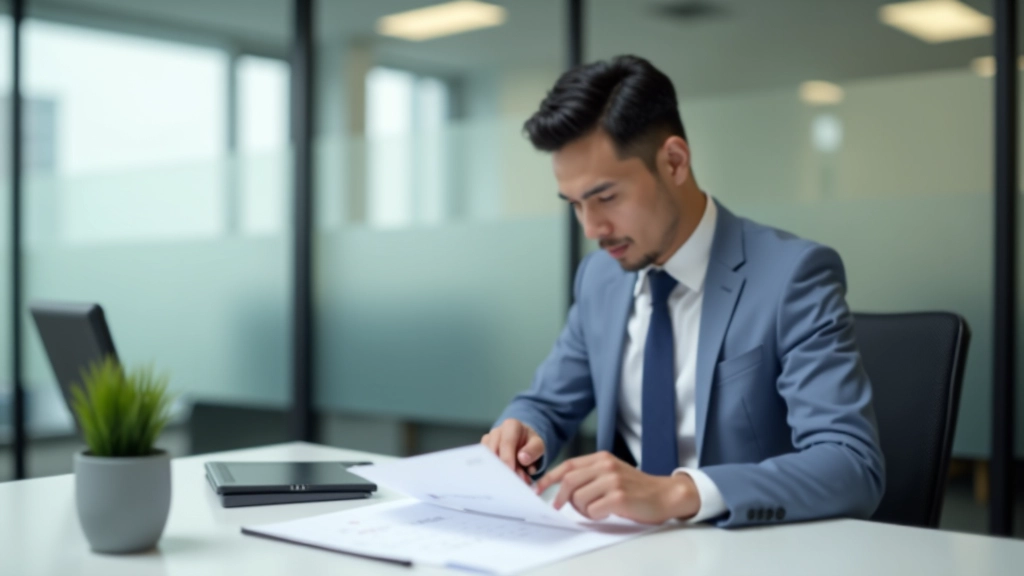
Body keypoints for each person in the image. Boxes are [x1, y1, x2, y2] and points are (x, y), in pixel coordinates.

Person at [480, 55, 884, 528]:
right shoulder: (600, 279)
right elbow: (547, 402)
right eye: (575, 205)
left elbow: (851, 464)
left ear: (674, 161)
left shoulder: (792, 277)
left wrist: (678, 492)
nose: (593, 228)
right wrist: (523, 431)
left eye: (607, 197)